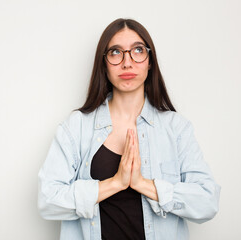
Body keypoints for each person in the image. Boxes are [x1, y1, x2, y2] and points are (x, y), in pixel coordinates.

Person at [38, 18, 221, 240]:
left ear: (149, 61)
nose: (127, 63)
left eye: (137, 50)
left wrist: (143, 185)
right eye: (116, 52)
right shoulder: (76, 127)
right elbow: (47, 200)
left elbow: (207, 201)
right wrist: (116, 183)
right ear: (103, 64)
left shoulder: (176, 128)